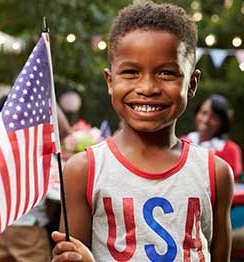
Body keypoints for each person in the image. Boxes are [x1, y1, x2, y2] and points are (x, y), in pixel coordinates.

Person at [51, 2, 234, 261]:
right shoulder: (85, 170)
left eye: (167, 73)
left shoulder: (215, 173)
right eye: (131, 72)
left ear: (192, 84)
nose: (147, 87)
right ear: (110, 81)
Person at [184, 94, 243, 182]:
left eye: (214, 117)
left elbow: (232, 183)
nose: (206, 120)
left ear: (222, 122)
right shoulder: (183, 142)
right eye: (204, 113)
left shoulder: (230, 150)